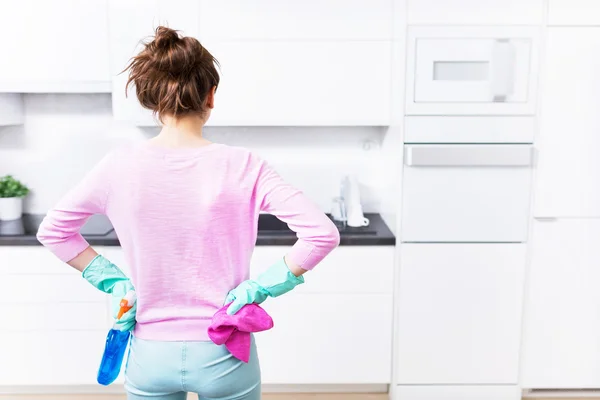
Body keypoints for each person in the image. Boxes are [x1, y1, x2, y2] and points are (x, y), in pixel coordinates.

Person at [37, 26, 340, 400]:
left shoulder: (117, 166)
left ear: (153, 101)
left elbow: (53, 231)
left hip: (150, 353)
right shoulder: (244, 166)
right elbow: (322, 234)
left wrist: (114, 282)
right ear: (211, 96)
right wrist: (259, 289)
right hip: (224, 347)